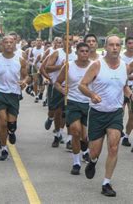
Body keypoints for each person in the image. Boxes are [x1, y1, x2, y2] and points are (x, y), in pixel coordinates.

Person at [79, 35, 133, 197]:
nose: (115, 48)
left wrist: (131, 96)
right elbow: (82, 85)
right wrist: (92, 94)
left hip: (115, 113)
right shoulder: (96, 65)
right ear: (105, 47)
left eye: (117, 45)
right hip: (97, 113)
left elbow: (124, 87)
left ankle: (106, 182)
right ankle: (93, 161)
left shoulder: (124, 66)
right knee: (95, 151)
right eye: (111, 45)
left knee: (114, 146)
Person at [0, 35, 29, 161]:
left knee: (11, 124)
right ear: (1, 44)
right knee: (2, 122)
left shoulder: (20, 60)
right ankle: (4, 149)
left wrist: (24, 81)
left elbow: (26, 76)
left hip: (14, 94)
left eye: (11, 42)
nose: (8, 44)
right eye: (6, 42)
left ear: (15, 44)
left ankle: (12, 130)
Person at [54, 42, 91, 175]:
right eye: (82, 51)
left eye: (87, 51)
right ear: (76, 52)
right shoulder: (69, 66)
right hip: (73, 102)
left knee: (85, 136)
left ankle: (85, 149)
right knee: (75, 131)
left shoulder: (94, 66)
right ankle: (76, 162)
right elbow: (57, 82)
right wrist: (63, 90)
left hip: (89, 103)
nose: (84, 53)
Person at [43, 35, 76, 147]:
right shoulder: (57, 53)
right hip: (58, 86)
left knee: (68, 113)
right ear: (62, 41)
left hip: (72, 88)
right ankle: (57, 133)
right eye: (66, 40)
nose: (68, 42)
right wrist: (60, 67)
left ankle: (69, 139)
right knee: (57, 112)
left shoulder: (76, 54)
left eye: (70, 40)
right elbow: (47, 67)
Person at [120, 36, 133, 147]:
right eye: (129, 43)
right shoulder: (121, 57)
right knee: (120, 112)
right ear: (126, 44)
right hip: (121, 87)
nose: (131, 45)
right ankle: (118, 128)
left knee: (132, 114)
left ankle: (126, 136)